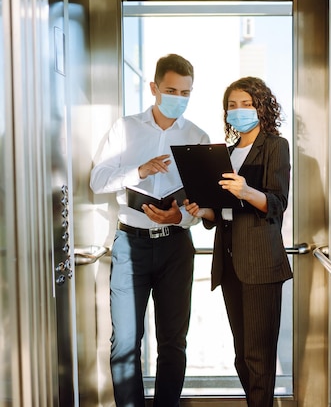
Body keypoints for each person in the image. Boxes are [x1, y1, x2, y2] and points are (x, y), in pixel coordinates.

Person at [90, 53, 210, 406]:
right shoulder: (124, 128)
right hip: (131, 244)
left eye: (186, 93)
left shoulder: (198, 136)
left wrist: (181, 217)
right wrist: (138, 172)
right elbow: (97, 181)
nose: (179, 98)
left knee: (174, 342)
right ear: (154, 88)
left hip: (176, 247)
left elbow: (200, 206)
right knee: (125, 342)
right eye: (172, 90)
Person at [184, 76, 292, 407]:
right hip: (229, 261)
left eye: (246, 104)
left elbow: (276, 203)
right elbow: (224, 213)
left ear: (261, 107)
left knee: (259, 357)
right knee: (242, 356)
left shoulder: (275, 146)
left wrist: (247, 191)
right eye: (232, 105)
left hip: (261, 262)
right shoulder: (226, 154)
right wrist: (203, 209)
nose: (238, 110)